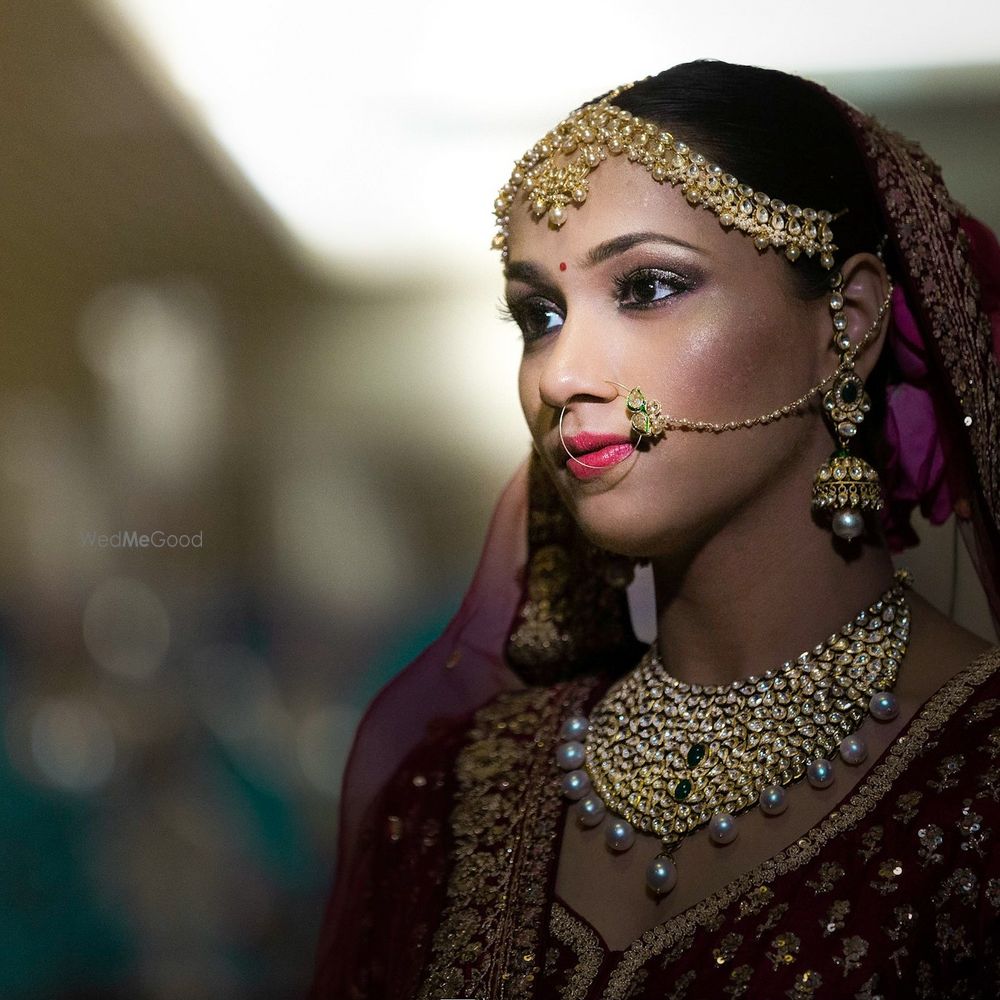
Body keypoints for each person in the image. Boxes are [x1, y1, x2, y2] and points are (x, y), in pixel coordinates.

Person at [310, 61, 1000, 999]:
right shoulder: (453, 794)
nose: (561, 376)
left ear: (849, 319)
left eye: (646, 288)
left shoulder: (979, 776)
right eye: (538, 316)